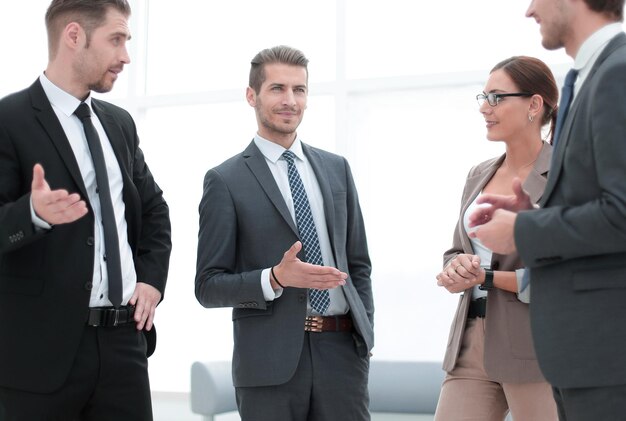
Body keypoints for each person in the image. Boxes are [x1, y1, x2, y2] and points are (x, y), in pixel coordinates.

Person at [0, 0, 171, 419]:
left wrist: (150, 281)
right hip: (38, 357)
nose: (125, 56)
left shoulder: (119, 124)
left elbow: (154, 212)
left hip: (124, 346)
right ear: (73, 36)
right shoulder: (8, 119)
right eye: (116, 40)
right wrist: (33, 213)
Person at [195, 45, 374, 421]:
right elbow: (208, 286)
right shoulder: (225, 180)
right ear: (252, 96)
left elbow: (358, 264)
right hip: (267, 363)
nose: (290, 100)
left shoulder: (336, 169)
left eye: (300, 90)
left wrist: (364, 334)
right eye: (277, 88)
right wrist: (274, 278)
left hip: (342, 355)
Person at [468, 1, 626, 420]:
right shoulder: (588, 77)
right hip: (582, 356)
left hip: (606, 356)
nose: (530, 10)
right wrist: (530, 215)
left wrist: (523, 230)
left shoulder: (617, 73)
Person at [433, 56, 559, 421]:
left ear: (534, 105)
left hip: (537, 344)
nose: (485, 109)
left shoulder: (566, 176)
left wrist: (486, 278)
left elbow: (561, 273)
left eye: (497, 98)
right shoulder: (478, 175)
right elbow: (458, 248)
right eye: (483, 97)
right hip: (470, 340)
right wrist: (455, 267)